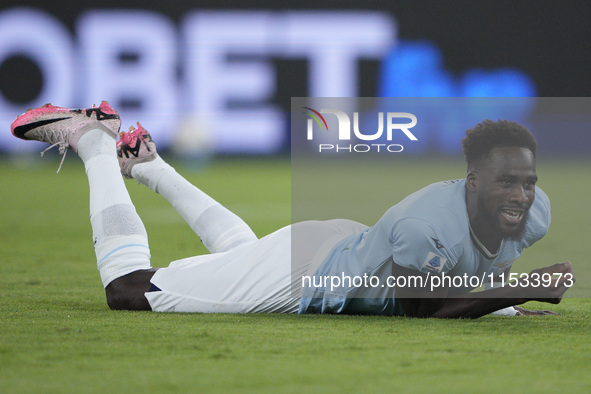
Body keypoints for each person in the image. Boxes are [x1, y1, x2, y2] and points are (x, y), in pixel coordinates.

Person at [11, 102, 574, 318]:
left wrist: (504, 304)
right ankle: (94, 142)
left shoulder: (534, 209)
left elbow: (463, 272)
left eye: (528, 182)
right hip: (305, 270)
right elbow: (422, 311)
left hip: (336, 246)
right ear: (473, 182)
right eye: (508, 183)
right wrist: (515, 291)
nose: (522, 196)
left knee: (244, 257)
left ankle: (148, 163)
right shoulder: (423, 222)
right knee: (130, 291)